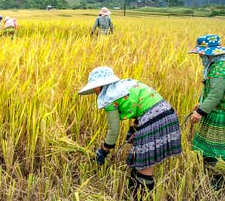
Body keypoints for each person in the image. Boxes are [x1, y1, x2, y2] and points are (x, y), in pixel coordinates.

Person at [79, 66, 182, 197]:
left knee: (144, 164)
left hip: (153, 119)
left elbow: (113, 130)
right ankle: (133, 193)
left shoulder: (110, 98)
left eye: (95, 87)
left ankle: (145, 196)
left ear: (102, 86)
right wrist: (133, 130)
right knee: (138, 159)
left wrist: (104, 150)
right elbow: (142, 104)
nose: (94, 91)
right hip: (167, 113)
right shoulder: (126, 84)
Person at [188, 34, 225, 191]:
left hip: (220, 114)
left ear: (210, 53)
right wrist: (201, 103)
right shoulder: (215, 65)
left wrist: (200, 112)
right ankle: (211, 174)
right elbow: (210, 90)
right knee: (211, 148)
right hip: (214, 111)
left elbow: (216, 95)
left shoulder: (218, 69)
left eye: (202, 54)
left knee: (217, 149)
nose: (200, 57)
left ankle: (218, 179)